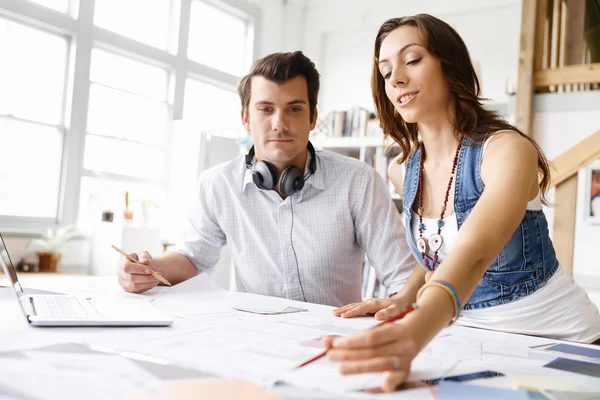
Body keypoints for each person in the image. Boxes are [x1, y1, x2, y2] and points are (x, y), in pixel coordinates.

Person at [324, 14, 600, 392]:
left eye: (413, 59)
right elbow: (441, 252)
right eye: (386, 72)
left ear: (449, 65)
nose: (397, 79)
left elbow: (471, 255)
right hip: (469, 341)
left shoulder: (505, 151)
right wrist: (404, 298)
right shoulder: (402, 171)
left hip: (560, 342)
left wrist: (415, 329)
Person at [117, 51, 419, 307]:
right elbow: (193, 259)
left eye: (294, 109)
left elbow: (402, 277)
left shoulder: (359, 181)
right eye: (265, 109)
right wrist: (146, 268)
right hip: (254, 339)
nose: (280, 124)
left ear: (313, 118)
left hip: (333, 342)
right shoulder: (217, 184)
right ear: (246, 118)